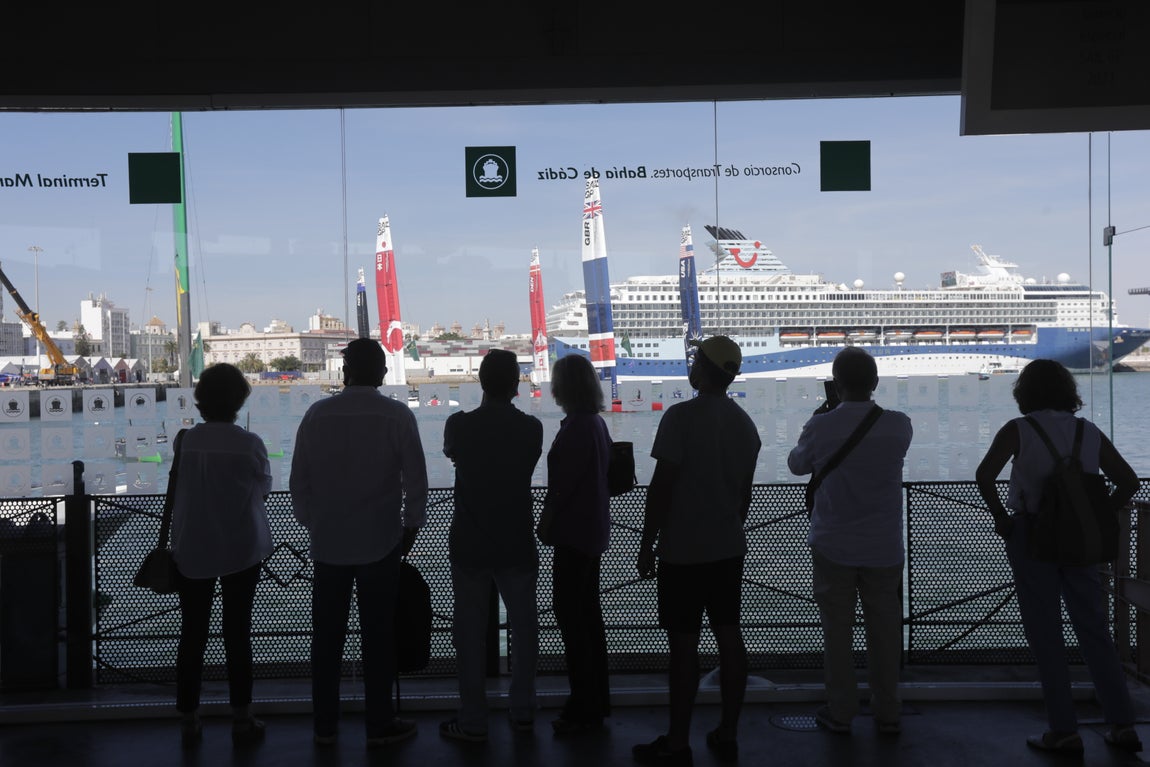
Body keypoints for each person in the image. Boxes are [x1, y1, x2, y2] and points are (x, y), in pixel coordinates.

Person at [975, 359, 1142, 754]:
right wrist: (1100, 518)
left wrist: (1001, 517)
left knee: (1045, 633)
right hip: (1082, 539)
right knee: (1095, 630)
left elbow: (985, 475)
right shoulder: (1089, 431)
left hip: (1031, 535)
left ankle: (1063, 730)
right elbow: (1129, 481)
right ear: (1069, 391)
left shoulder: (1018, 430)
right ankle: (1122, 725)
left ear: (1024, 393)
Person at [290, 338, 428, 748]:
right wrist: (411, 529)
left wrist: (313, 523)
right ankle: (379, 724)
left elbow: (299, 481)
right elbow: (416, 482)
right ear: (383, 372)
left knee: (326, 639)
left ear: (344, 371)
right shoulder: (397, 416)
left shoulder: (316, 415)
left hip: (329, 544)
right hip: (382, 542)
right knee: (379, 637)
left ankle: (325, 727)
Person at [633, 336, 761, 766]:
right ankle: (728, 732)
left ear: (703, 370)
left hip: (682, 551)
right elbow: (744, 496)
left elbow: (661, 487)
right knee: (730, 636)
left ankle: (677, 741)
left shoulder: (679, 418)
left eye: (695, 360)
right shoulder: (746, 426)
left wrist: (647, 541)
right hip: (727, 548)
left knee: (684, 648)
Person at [787, 346, 912, 736]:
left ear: (836, 385)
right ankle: (888, 711)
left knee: (837, 632)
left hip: (832, 544)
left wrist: (816, 420)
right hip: (884, 548)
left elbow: (796, 465)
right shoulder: (899, 424)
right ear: (875, 383)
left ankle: (841, 713)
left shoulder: (821, 425)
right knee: (886, 633)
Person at [439, 349, 543, 742]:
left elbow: (452, 455)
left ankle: (473, 719)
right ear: (516, 385)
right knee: (525, 627)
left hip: (470, 541)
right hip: (516, 539)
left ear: (480, 382)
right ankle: (523, 709)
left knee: (468, 633)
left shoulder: (459, 426)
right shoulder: (532, 429)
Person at [170, 362, 273, 749]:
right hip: (240, 549)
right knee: (237, 634)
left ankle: (188, 717)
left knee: (192, 635)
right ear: (239, 400)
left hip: (191, 549)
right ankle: (242, 718)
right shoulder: (249, 443)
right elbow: (262, 487)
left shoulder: (186, 441)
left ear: (200, 402)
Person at [544, 353, 613, 735]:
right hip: (594, 532)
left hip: (573, 535)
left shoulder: (575, 429)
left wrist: (545, 522)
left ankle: (582, 704)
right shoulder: (596, 424)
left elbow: (561, 488)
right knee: (589, 618)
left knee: (572, 620)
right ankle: (596, 700)